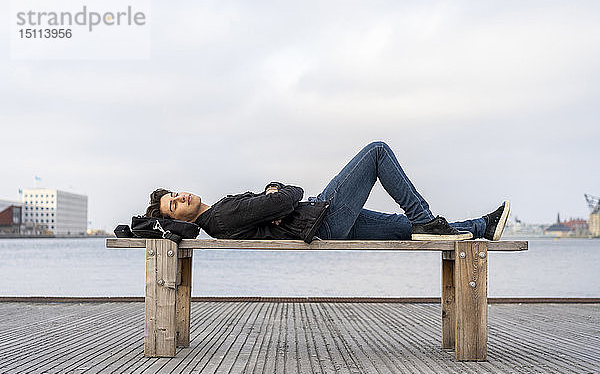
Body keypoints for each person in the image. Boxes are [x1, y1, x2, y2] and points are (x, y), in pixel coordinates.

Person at [144, 141, 510, 243]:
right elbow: (290, 196)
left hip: (318, 222)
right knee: (377, 151)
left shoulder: (220, 215)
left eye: (176, 194)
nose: (181, 198)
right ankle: (427, 221)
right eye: (174, 206)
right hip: (323, 218)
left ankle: (481, 227)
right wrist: (279, 190)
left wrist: (275, 195)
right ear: (177, 217)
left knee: (403, 229)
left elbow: (278, 204)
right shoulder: (221, 215)